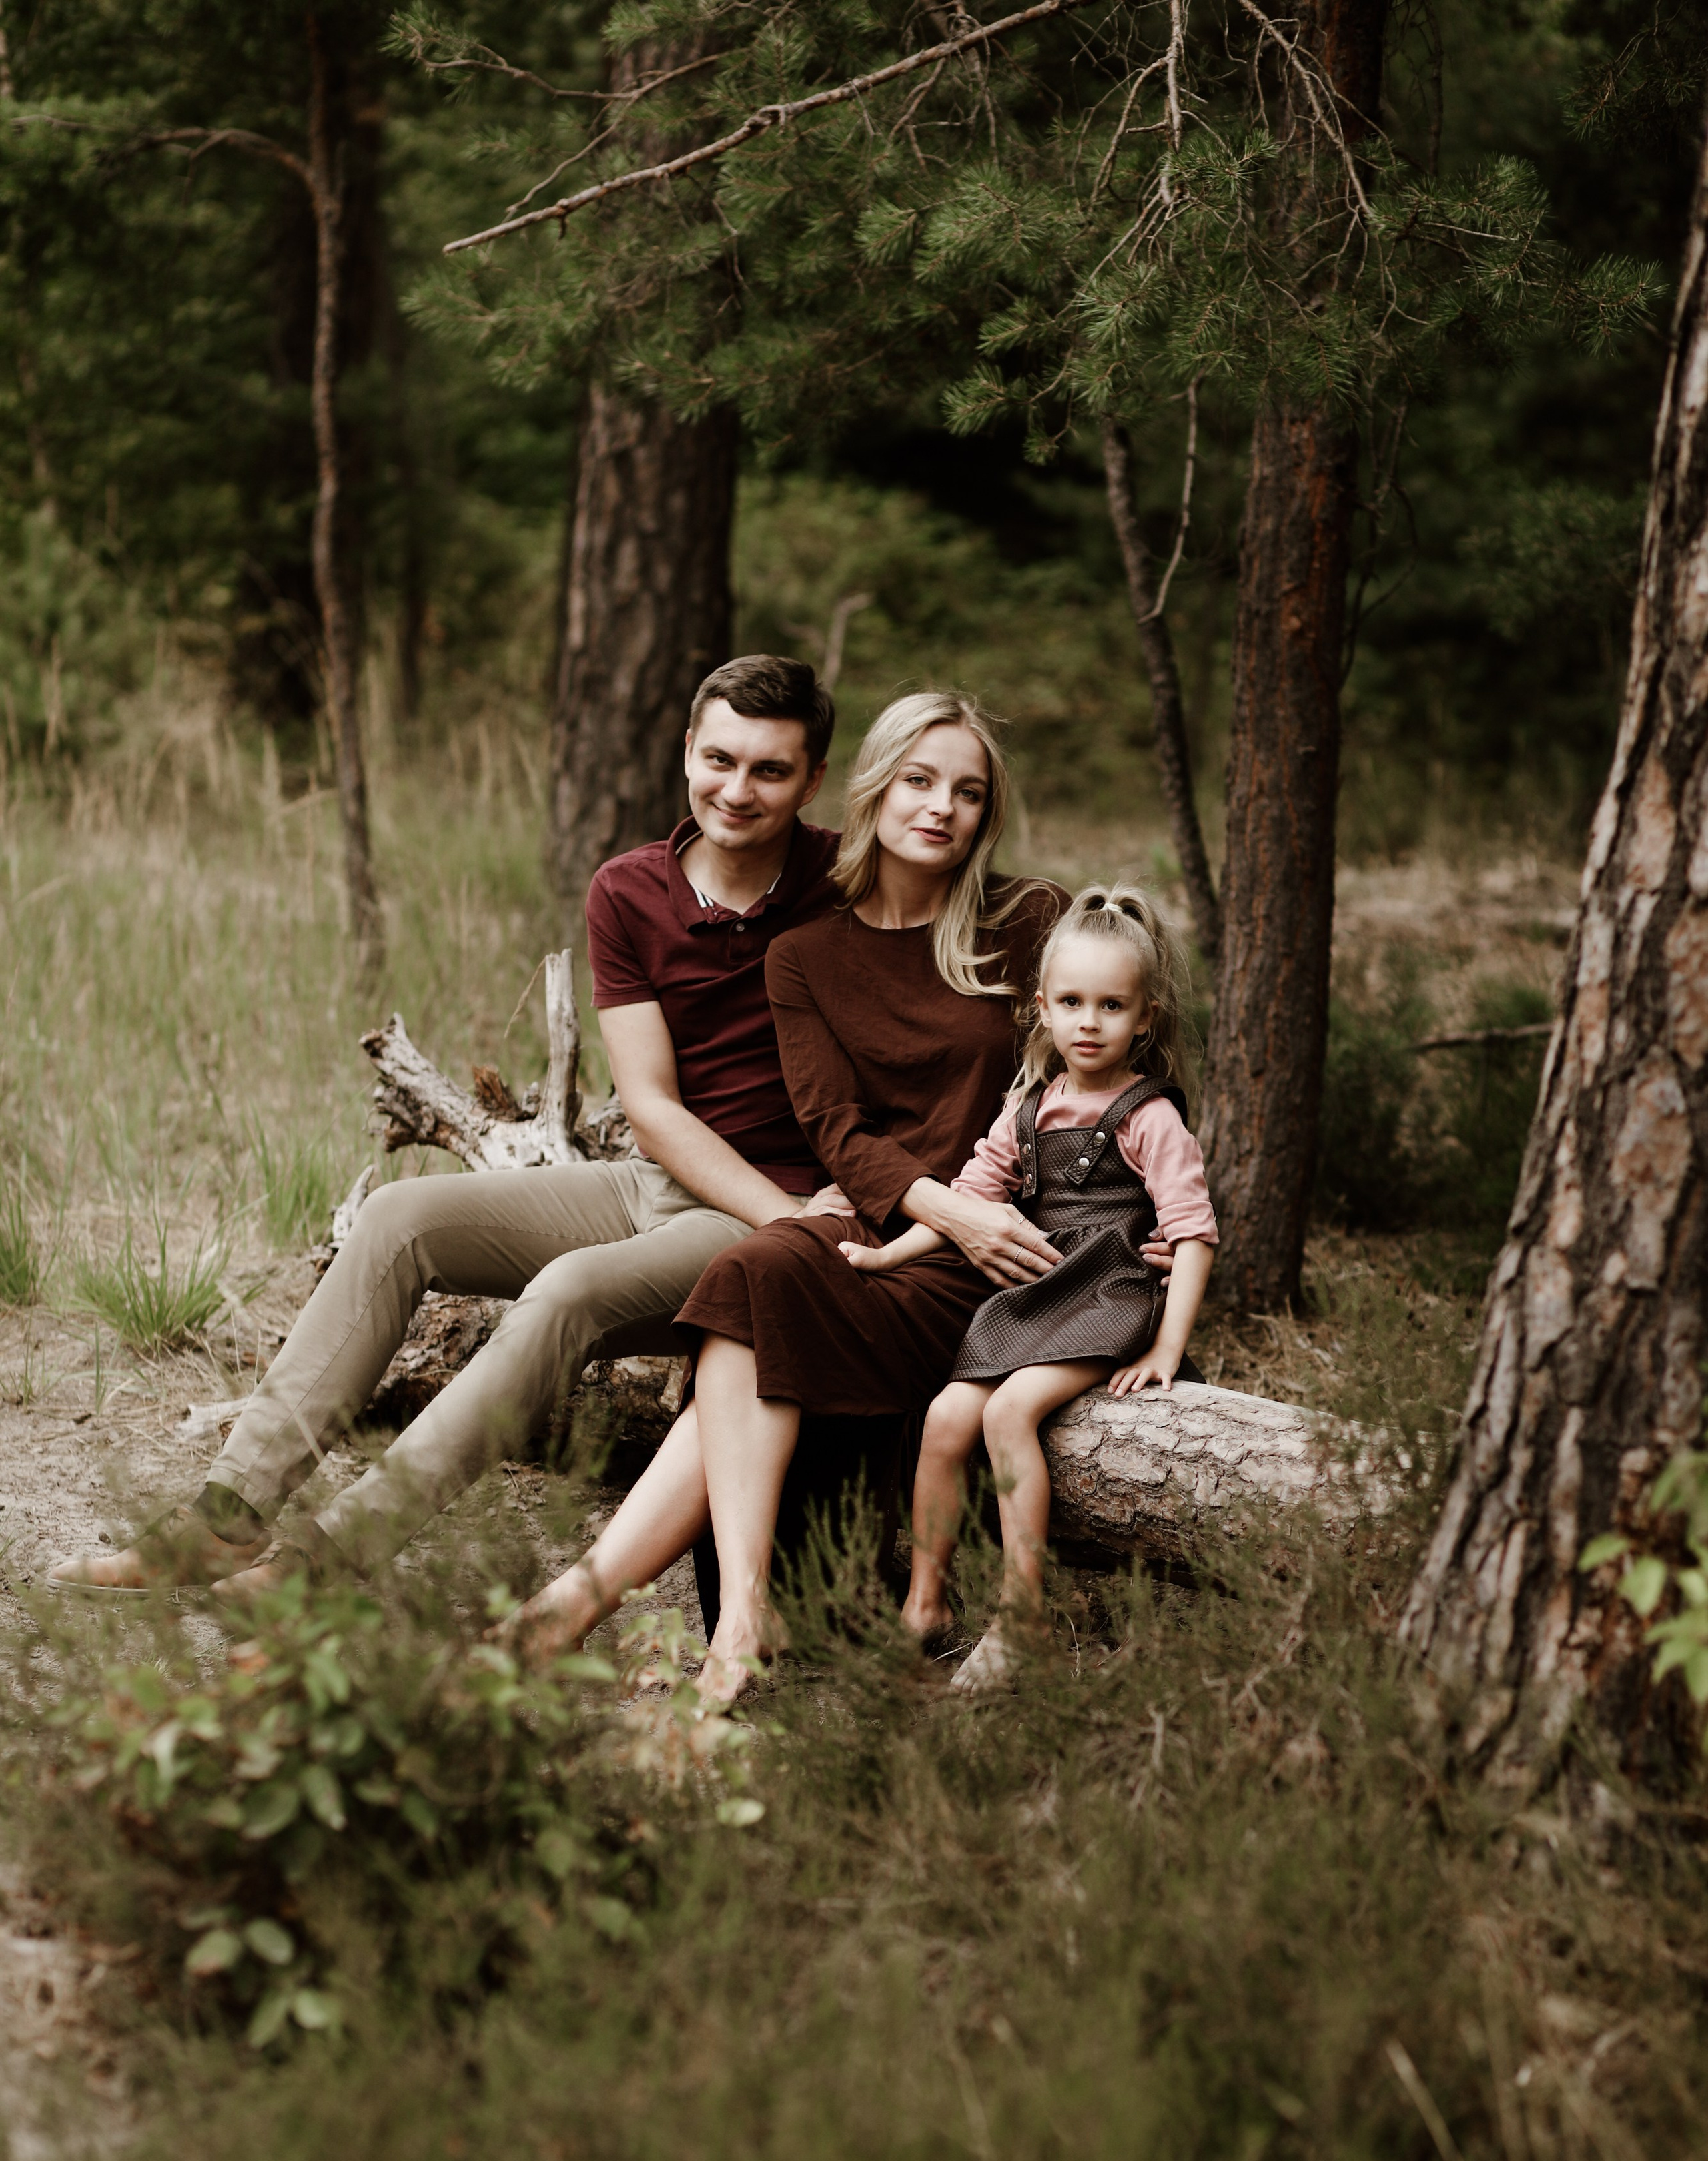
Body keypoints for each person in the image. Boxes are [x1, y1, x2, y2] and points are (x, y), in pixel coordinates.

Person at [47, 655, 852, 1599]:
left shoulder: (849, 882)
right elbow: (654, 1108)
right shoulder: (629, 891)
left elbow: (989, 918)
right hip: (660, 1179)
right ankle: (223, 1525)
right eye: (720, 760)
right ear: (685, 752)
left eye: (770, 771)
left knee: (568, 1289)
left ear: (811, 781)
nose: (738, 790)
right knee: (402, 1216)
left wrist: (799, 1217)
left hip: (768, 1214)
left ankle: (330, 1565)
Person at [506, 693, 1177, 1696]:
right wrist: (947, 1211)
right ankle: (735, 1615)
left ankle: (585, 1603)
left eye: (968, 791)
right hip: (898, 1234)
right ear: (874, 787)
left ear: (988, 812)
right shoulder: (806, 954)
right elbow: (836, 1131)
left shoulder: (1027, 920)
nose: (941, 808)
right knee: (757, 1269)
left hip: (1021, 1263)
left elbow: (1129, 1070)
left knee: (756, 1289)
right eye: (919, 780)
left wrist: (1153, 1220)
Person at [841, 884, 1218, 1693]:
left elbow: (1191, 1233)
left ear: (1144, 1018)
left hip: (1110, 1296)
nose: (1090, 1022)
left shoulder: (1149, 1117)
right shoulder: (1027, 1107)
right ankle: (926, 1601)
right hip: (1040, 1295)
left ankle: (1024, 1619)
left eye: (1112, 1005)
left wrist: (1166, 1344)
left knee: (1009, 1411)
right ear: (1042, 1008)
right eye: (1073, 1002)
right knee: (946, 1418)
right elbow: (966, 1198)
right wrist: (887, 1258)